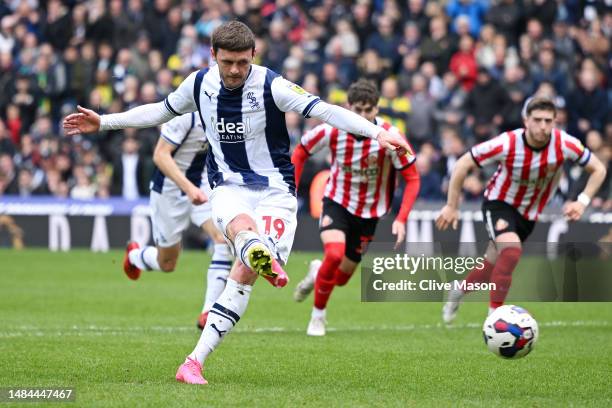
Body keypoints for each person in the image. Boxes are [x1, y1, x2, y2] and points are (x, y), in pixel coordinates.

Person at [63, 21, 410, 385]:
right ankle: (255, 250)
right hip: (228, 185)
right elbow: (158, 111)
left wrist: (377, 132)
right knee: (240, 231)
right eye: (227, 61)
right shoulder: (199, 84)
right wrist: (104, 121)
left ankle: (194, 360)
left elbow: (326, 111)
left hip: (276, 192)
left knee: (243, 275)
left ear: (253, 56)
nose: (234, 70)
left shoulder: (272, 84)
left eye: (242, 62)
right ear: (213, 55)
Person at [435, 97, 607, 323]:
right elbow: (462, 164)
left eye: (548, 120)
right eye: (537, 120)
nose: (543, 126)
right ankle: (495, 318)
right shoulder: (507, 143)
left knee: (491, 266)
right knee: (512, 251)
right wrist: (451, 205)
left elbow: (598, 168)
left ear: (555, 122)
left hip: (529, 213)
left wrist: (582, 201)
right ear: (526, 120)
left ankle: (458, 290)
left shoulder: (564, 144)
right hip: (499, 203)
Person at [291, 79, 421, 336]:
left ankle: (317, 271)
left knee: (340, 278)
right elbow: (299, 152)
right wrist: (290, 191)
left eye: (368, 110)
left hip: (370, 213)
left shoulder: (390, 136)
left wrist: (402, 218)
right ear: (347, 107)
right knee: (335, 254)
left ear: (377, 109)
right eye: (357, 110)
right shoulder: (331, 130)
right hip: (336, 202)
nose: (362, 116)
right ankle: (318, 317)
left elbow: (413, 178)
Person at [121, 112, 232, 330]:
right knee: (168, 264)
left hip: (202, 183)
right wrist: (188, 188)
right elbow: (160, 156)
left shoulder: (228, 109)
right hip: (170, 189)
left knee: (222, 238)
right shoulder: (185, 114)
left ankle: (209, 311)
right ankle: (135, 255)